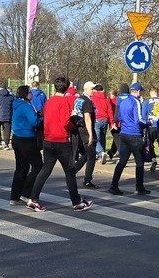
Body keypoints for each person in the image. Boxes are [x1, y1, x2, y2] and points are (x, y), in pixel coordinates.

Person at [24, 76, 92, 212]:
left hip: (48, 140)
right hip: (61, 141)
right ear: (67, 88)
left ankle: (33, 198)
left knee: (45, 171)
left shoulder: (48, 102)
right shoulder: (64, 102)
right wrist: (74, 123)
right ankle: (77, 202)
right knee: (70, 172)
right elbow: (65, 123)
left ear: (55, 87)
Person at [109, 83, 151, 196]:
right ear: (137, 91)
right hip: (134, 134)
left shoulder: (123, 101)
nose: (140, 93)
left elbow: (119, 117)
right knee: (139, 162)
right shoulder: (136, 102)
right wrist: (148, 123)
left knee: (122, 161)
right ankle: (139, 187)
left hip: (124, 133)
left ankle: (114, 185)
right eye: (140, 91)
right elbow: (139, 120)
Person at [8, 85, 42, 204]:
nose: (31, 95)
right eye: (30, 93)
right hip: (27, 139)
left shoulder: (16, 104)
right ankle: (26, 192)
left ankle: (14, 196)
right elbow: (34, 122)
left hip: (17, 138)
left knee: (21, 168)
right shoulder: (26, 106)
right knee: (38, 165)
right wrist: (41, 118)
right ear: (25, 94)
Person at [76, 81, 100, 188]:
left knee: (85, 155)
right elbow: (87, 118)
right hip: (86, 130)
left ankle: (72, 172)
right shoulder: (87, 101)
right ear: (86, 89)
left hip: (79, 129)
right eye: (91, 89)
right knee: (91, 156)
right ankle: (87, 180)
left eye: (94, 89)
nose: (93, 91)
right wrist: (91, 135)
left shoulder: (79, 99)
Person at [91, 84, 112, 164]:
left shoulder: (93, 98)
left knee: (96, 139)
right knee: (103, 138)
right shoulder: (106, 98)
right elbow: (110, 111)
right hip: (105, 120)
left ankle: (101, 153)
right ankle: (102, 156)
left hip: (97, 119)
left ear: (95, 90)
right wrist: (111, 122)